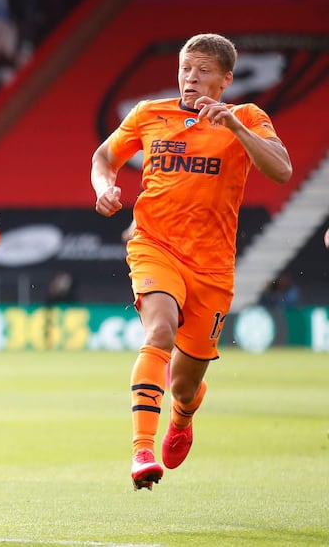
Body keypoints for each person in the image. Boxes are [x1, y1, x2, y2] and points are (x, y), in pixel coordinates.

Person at [90, 33, 292, 490]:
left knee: (184, 383)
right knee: (159, 330)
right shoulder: (149, 114)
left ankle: (183, 413)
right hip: (154, 245)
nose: (191, 78)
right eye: (185, 68)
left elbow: (281, 170)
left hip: (213, 268)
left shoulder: (247, 117)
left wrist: (235, 128)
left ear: (226, 79)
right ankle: (142, 451)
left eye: (203, 70)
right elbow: (105, 157)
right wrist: (103, 186)